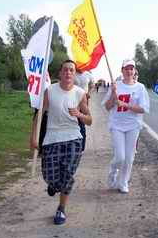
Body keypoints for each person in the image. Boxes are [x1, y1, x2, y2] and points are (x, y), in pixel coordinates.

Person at [30, 59, 92, 225]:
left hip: (73, 138)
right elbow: (39, 115)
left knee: (67, 175)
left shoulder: (80, 93)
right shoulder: (50, 91)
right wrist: (33, 137)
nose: (68, 73)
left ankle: (61, 209)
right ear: (60, 73)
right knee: (49, 176)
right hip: (52, 139)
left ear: (74, 73)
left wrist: (79, 115)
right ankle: (54, 184)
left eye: (71, 70)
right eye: (65, 70)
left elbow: (89, 120)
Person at [102, 59, 150, 194]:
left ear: (134, 71)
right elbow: (107, 107)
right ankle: (113, 170)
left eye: (131, 68)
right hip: (117, 125)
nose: (129, 71)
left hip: (133, 125)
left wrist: (126, 105)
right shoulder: (115, 86)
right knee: (120, 157)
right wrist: (113, 94)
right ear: (122, 70)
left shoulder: (140, 87)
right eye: (126, 68)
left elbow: (143, 109)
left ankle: (123, 182)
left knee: (129, 158)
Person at [74, 68, 95, 152]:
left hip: (84, 99)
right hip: (73, 99)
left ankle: (81, 147)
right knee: (73, 121)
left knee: (82, 122)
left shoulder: (88, 74)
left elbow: (92, 84)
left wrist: (89, 93)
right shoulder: (73, 72)